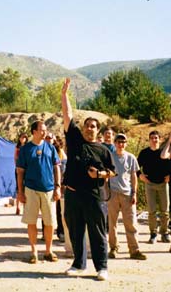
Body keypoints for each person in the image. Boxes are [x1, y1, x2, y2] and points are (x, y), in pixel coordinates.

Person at [61, 78, 116, 281]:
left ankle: (102, 267)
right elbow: (67, 115)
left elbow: (112, 172)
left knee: (98, 233)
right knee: (76, 232)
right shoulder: (75, 140)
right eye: (87, 125)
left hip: (95, 197)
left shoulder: (103, 150)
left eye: (93, 126)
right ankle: (78, 264)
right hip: (74, 194)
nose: (89, 128)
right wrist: (64, 94)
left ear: (98, 130)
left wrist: (99, 175)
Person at [17, 120, 61, 264]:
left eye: (45, 130)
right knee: (31, 221)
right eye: (41, 130)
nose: (44, 132)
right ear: (34, 132)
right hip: (30, 189)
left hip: (48, 189)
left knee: (50, 222)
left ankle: (48, 251)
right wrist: (20, 191)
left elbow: (56, 168)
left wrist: (58, 187)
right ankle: (34, 251)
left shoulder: (51, 148)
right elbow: (20, 171)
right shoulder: (25, 149)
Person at [107, 133, 146, 260]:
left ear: (126, 143)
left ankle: (134, 250)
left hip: (127, 194)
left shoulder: (131, 157)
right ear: (115, 143)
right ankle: (113, 248)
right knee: (112, 224)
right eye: (118, 141)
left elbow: (134, 176)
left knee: (131, 223)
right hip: (112, 193)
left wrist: (134, 193)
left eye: (123, 142)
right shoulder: (110, 157)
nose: (121, 144)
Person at [137, 130, 171, 244]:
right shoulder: (144, 153)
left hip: (163, 183)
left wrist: (170, 176)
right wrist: (140, 175)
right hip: (150, 184)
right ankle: (153, 233)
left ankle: (165, 233)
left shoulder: (164, 152)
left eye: (156, 138)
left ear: (160, 139)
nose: (154, 140)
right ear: (149, 139)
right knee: (151, 211)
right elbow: (136, 166)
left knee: (165, 211)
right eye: (152, 138)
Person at [14, 133, 28, 215]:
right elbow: (15, 158)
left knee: (26, 187)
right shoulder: (17, 147)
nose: (23, 139)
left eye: (24, 137)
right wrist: (17, 167)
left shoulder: (28, 147)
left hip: (26, 169)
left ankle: (25, 207)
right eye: (22, 137)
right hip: (19, 169)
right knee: (18, 187)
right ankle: (18, 207)